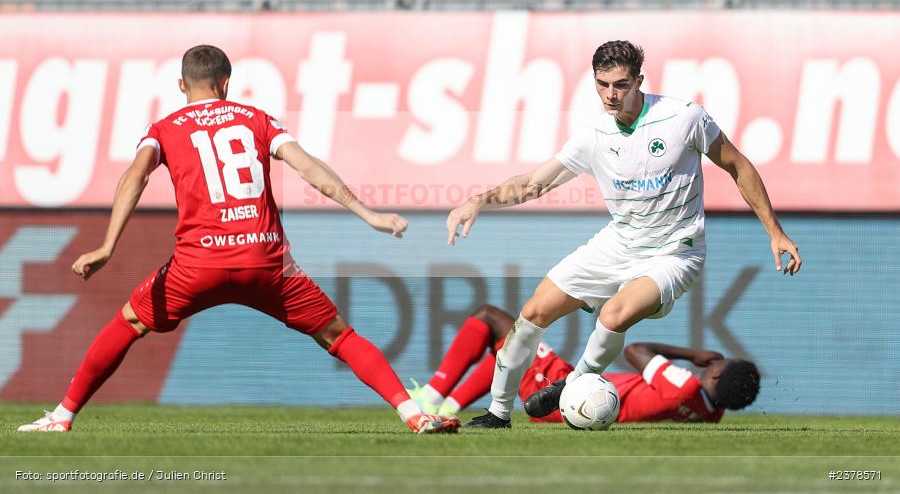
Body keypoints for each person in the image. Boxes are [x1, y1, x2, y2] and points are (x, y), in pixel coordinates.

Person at [18, 45, 459, 435]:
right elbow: (309, 167)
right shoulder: (256, 119)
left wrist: (107, 246)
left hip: (196, 267)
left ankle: (62, 416)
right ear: (226, 82)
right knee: (338, 335)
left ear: (181, 84)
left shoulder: (163, 129)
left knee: (129, 322)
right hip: (265, 262)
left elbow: (135, 177)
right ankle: (414, 414)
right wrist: (369, 214)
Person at [446, 40, 800, 428]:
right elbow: (533, 184)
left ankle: (572, 385)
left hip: (675, 253)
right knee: (533, 313)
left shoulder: (684, 118)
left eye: (620, 85)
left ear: (639, 81)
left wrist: (775, 231)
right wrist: (479, 200)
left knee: (614, 315)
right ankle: (498, 413)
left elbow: (738, 166)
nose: (611, 95)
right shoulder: (593, 136)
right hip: (617, 244)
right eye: (602, 85)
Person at [407, 305, 759, 424]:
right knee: (511, 352)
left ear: (716, 373)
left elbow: (635, 350)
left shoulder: (686, 386)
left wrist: (692, 354)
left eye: (725, 360)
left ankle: (430, 398)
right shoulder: (711, 414)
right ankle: (448, 407)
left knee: (490, 318)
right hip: (582, 402)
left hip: (567, 393)